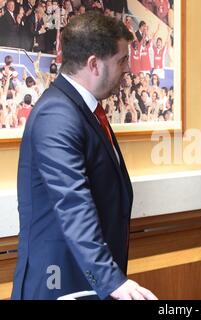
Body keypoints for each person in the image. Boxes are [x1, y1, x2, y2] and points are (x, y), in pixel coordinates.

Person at [12, 11, 158, 300]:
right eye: (121, 60)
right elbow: (73, 203)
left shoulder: (83, 109)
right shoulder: (57, 114)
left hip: (84, 280)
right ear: (94, 64)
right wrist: (111, 280)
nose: (128, 70)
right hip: (60, 284)